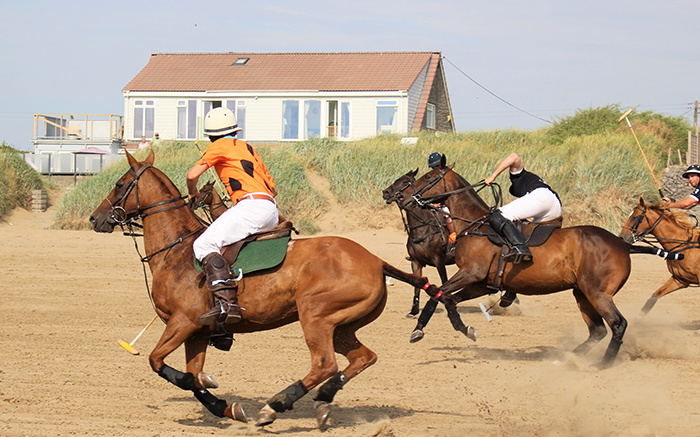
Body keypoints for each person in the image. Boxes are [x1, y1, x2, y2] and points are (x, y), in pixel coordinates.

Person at [187, 107, 279, 326]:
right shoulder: (249, 148)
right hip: (270, 208)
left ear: (211, 135)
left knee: (203, 245)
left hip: (251, 207)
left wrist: (193, 192)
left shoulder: (218, 146)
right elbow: (273, 189)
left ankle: (227, 304)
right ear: (234, 130)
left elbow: (192, 175)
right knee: (224, 249)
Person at [484, 152, 561, 264]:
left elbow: (513, 157)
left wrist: (492, 176)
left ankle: (519, 248)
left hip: (542, 196)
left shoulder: (518, 175)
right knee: (529, 234)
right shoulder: (533, 180)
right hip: (555, 205)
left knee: (498, 215)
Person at [427, 152, 457, 246]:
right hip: (440, 202)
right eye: (433, 167)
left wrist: (439, 203)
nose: (435, 169)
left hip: (451, 202)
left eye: (436, 166)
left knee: (447, 216)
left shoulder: (450, 174)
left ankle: (454, 239)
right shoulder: (435, 175)